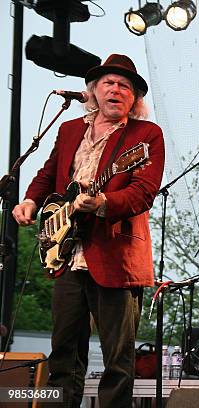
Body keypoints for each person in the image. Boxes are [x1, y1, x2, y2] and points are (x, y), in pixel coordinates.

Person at [12, 54, 165, 407]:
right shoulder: (68, 130)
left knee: (118, 362)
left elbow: (143, 192)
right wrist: (31, 201)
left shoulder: (145, 135)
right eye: (109, 83)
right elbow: (49, 174)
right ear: (93, 91)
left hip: (117, 257)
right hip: (66, 256)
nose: (116, 89)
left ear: (134, 98)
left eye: (125, 86)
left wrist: (103, 203)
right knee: (63, 356)